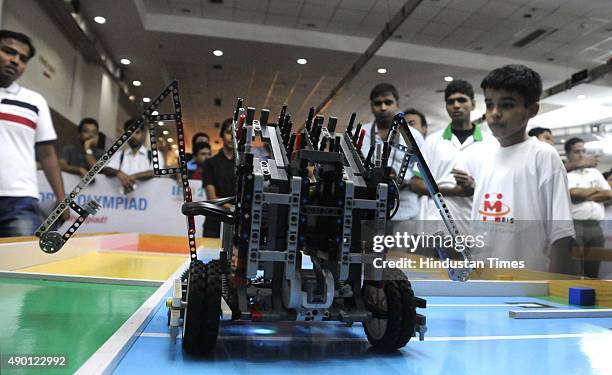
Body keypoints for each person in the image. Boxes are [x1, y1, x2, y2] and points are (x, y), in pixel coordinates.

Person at [471, 64, 575, 272]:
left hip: (528, 288)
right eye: (489, 104)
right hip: (484, 282)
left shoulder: (543, 156)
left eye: (507, 105)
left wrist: (552, 292)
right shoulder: (483, 157)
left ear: (532, 110)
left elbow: (562, 235)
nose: (495, 113)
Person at [0, 30, 68, 237]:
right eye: (8, 52)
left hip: (19, 200)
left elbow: (47, 153)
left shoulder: (34, 101)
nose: (15, 61)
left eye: (23, 58)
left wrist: (61, 198)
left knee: (18, 266)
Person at [409, 80, 498, 223]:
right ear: (446, 107)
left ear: (473, 104)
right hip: (436, 222)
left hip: (475, 222)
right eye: (451, 102)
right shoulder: (432, 142)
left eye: (462, 100)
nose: (456, 105)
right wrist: (456, 191)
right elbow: (416, 184)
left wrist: (474, 186)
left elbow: (499, 186)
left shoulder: (491, 144)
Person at [359, 83, 425, 234]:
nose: (383, 108)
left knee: (399, 257)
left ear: (397, 104)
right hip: (369, 209)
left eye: (388, 102)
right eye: (377, 103)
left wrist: (402, 180)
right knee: (368, 255)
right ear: (371, 106)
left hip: (404, 211)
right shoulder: (361, 133)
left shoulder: (413, 136)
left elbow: (423, 171)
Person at [565, 137, 611, 278]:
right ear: (568, 154)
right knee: (574, 269)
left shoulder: (595, 173)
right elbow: (572, 194)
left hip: (595, 226)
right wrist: (597, 190)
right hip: (575, 225)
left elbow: (609, 194)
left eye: (583, 151)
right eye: (576, 151)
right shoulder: (565, 174)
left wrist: (584, 194)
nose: (581, 155)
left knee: (593, 269)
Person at [105, 118, 165, 194]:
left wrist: (132, 177)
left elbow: (156, 172)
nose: (133, 136)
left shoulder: (154, 154)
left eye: (137, 132)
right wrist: (118, 173)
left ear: (143, 134)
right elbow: (107, 169)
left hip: (149, 201)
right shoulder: (119, 155)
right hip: (121, 200)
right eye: (129, 133)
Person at [202, 119, 236, 237]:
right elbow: (212, 197)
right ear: (222, 134)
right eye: (228, 132)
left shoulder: (244, 165)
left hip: (237, 224)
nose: (232, 137)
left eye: (236, 133)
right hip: (214, 222)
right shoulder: (210, 163)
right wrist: (233, 208)